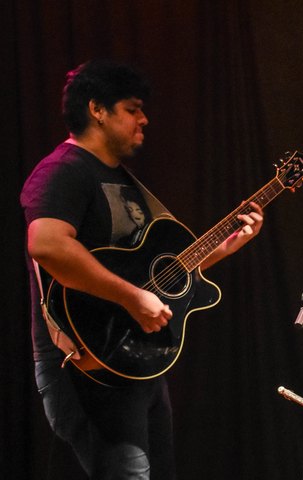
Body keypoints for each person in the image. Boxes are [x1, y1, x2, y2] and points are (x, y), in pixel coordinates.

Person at [20, 60, 264, 479]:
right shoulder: (64, 171)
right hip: (88, 365)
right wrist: (131, 298)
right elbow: (46, 244)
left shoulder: (123, 180)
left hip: (133, 359)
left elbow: (159, 273)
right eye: (133, 109)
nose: (144, 118)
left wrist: (224, 247)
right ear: (97, 109)